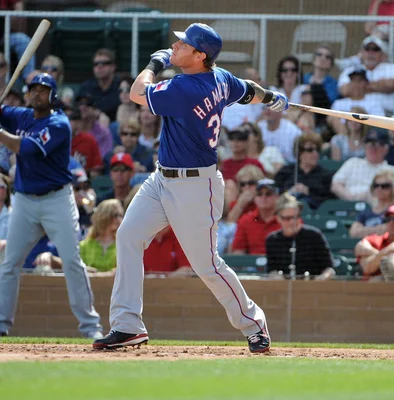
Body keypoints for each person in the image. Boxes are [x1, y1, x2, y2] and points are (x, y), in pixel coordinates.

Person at [92, 23, 290, 352]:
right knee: (128, 236)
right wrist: (270, 97)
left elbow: (136, 93)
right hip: (161, 178)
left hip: (196, 185)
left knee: (206, 264)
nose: (175, 45)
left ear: (200, 55)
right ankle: (128, 326)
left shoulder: (186, 88)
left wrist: (155, 63)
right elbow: (248, 89)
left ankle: (254, 325)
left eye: (183, 44)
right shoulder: (221, 78)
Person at [0, 73, 103, 338]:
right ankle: (1, 324)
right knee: (10, 263)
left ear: (52, 95)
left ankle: (91, 327)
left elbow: (25, 148)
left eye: (43, 90)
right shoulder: (21, 116)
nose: (37, 94)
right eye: (33, 89)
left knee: (71, 261)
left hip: (56, 199)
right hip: (24, 199)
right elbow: (4, 113)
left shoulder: (59, 123)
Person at [266, 193, 335, 280]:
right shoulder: (272, 240)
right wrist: (278, 279)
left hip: (313, 288)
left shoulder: (314, 235)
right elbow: (272, 270)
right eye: (287, 218)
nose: (292, 222)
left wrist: (320, 280)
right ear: (278, 218)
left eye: (296, 217)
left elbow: (329, 269)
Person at [331, 130, 394, 202]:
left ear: (386, 148)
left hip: (379, 210)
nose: (372, 148)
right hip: (348, 207)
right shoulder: (352, 162)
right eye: (369, 144)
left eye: (377, 145)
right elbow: (335, 185)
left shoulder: (393, 171)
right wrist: (350, 197)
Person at [338, 36, 394, 115]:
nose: (371, 52)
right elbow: (345, 90)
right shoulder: (351, 70)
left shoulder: (393, 68)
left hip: (388, 115)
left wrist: (359, 87)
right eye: (367, 49)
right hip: (356, 114)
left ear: (383, 54)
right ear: (362, 52)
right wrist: (380, 85)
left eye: (375, 49)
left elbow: (391, 86)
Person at [274, 132, 333, 209]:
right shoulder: (286, 171)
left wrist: (308, 193)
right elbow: (276, 194)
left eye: (317, 149)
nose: (315, 153)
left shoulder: (325, 175)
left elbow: (328, 201)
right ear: (299, 152)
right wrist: (290, 192)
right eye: (310, 150)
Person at [231, 178, 281, 255]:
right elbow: (238, 252)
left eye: (268, 194)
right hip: (251, 265)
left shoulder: (286, 218)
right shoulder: (245, 220)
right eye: (259, 194)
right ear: (255, 198)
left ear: (277, 197)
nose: (263, 197)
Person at [349, 170, 394, 238]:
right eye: (376, 185)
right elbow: (354, 232)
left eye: (385, 186)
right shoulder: (366, 212)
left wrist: (365, 230)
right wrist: (379, 229)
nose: (379, 188)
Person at [77, 49, 121, 121]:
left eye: (105, 63)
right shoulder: (86, 87)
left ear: (113, 67)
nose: (99, 67)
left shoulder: (121, 86)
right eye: (96, 64)